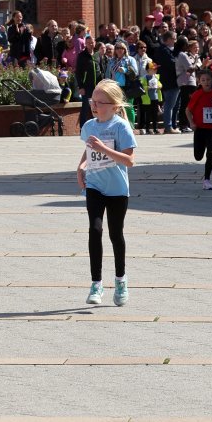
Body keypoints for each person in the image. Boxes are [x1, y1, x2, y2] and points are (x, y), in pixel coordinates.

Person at [77, 79, 137, 307]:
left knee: (115, 234)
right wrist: (80, 167)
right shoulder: (89, 126)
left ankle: (121, 280)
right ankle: (96, 283)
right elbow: (88, 151)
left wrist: (103, 148)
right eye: (92, 101)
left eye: (99, 102)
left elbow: (129, 161)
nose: (94, 106)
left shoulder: (121, 127)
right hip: (95, 186)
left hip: (117, 190)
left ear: (114, 106)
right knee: (95, 230)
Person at [185, 67, 212, 189]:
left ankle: (207, 180)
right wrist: (192, 123)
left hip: (211, 129)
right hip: (199, 129)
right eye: (203, 80)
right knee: (198, 156)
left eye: (208, 79)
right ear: (199, 82)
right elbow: (188, 110)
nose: (206, 82)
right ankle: (200, 150)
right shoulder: (197, 94)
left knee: (210, 153)